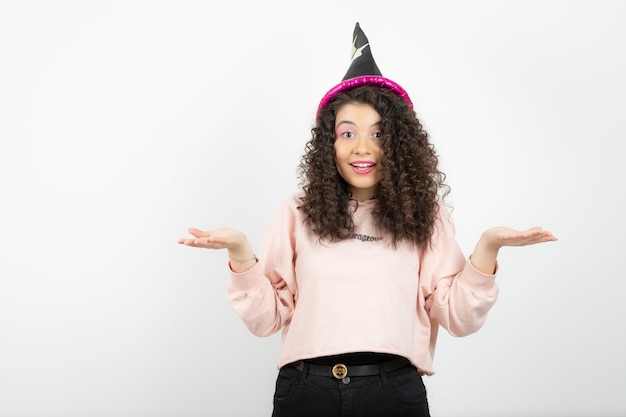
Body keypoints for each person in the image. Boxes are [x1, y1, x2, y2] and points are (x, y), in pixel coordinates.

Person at [178, 22, 557, 417]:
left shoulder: (425, 216)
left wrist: (487, 249)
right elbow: (267, 319)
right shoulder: (296, 213)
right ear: (330, 143)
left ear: (398, 143)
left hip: (393, 391)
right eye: (347, 134)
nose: (362, 148)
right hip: (307, 392)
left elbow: (458, 318)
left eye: (378, 134)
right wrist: (241, 254)